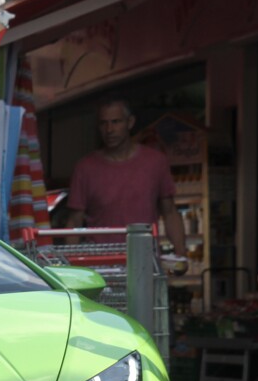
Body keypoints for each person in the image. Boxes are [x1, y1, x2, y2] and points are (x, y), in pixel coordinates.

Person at [64, 98, 188, 261]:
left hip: (145, 262)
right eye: (104, 123)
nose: (109, 129)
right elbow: (74, 222)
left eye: (116, 122)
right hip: (100, 264)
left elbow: (170, 212)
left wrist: (181, 254)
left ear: (130, 122)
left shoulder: (156, 162)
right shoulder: (85, 168)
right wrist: (69, 265)